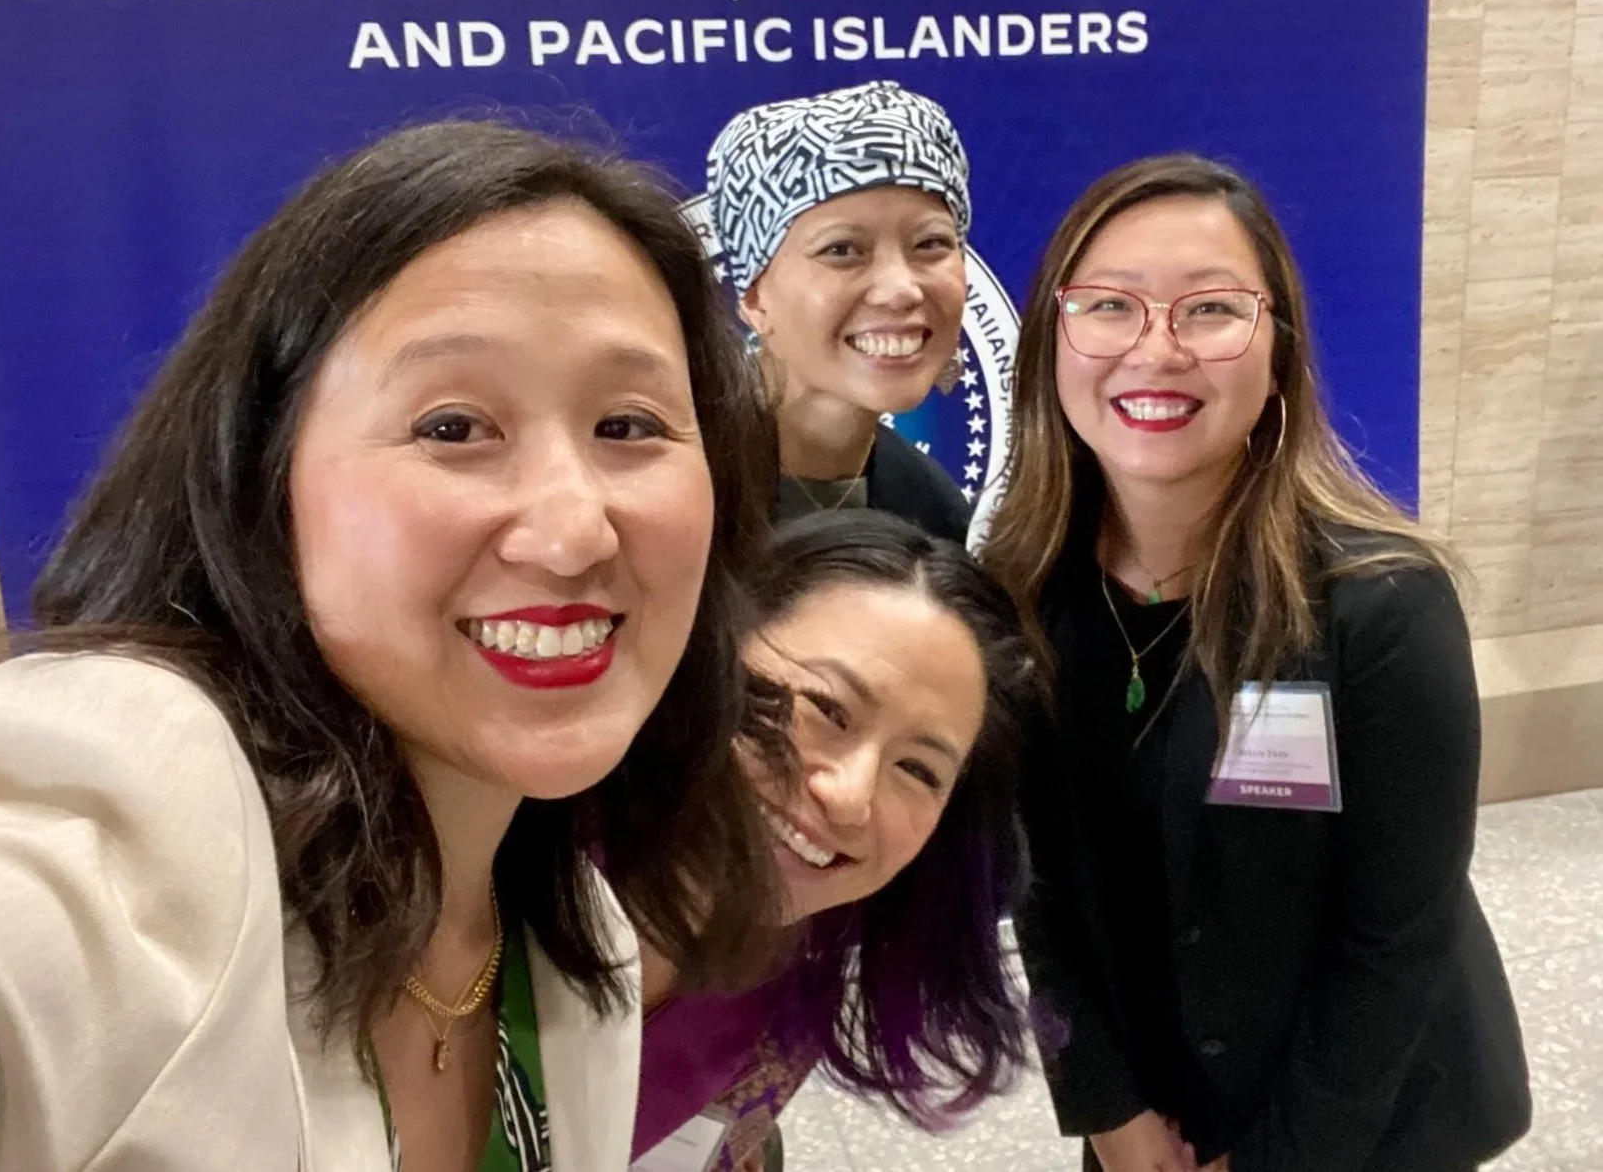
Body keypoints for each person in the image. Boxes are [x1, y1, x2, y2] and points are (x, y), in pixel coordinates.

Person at [0, 120, 791, 1171]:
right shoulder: (121, 798)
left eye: (629, 427)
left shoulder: (571, 937)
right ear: (263, 476)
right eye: (453, 427)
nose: (575, 527)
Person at [980, 153, 1532, 1172]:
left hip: (1361, 1115)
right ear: (1053, 341)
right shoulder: (1018, 595)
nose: (1155, 349)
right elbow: (1039, 889)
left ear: (1276, 348)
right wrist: (1107, 1105)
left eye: (1209, 310)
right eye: (1108, 305)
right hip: (1155, 1114)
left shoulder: (1381, 604)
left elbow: (1394, 940)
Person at [633, 510, 1035, 1170]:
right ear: (710, 654)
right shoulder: (491, 878)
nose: (849, 799)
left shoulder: (798, 970)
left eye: (917, 770)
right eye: (827, 709)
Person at [705, 80, 976, 540]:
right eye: (842, 250)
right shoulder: (680, 489)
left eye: (931, 244)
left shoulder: (932, 511)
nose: (901, 289)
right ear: (754, 297)